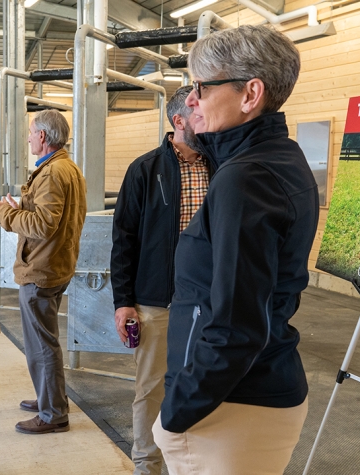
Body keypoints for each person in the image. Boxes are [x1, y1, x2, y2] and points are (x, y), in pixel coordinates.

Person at [151, 25, 320, 474]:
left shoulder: (245, 177)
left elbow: (235, 326)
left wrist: (175, 413)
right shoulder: (276, 157)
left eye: (201, 86)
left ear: (251, 93)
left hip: (229, 411)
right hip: (249, 397)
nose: (190, 99)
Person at [110, 85, 208, 475]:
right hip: (157, 301)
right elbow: (124, 240)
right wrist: (123, 301)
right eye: (196, 112)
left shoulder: (221, 165)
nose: (205, 117)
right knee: (151, 390)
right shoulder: (145, 170)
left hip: (209, 300)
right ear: (178, 120)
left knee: (205, 385)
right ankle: (147, 466)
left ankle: (192, 464)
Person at [0, 109, 86, 435]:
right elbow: (49, 213)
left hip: (41, 270)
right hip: (55, 265)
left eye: (30, 132)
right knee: (45, 341)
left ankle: (53, 414)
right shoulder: (65, 168)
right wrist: (19, 206)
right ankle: (48, 399)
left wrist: (5, 214)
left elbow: (43, 225)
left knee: (41, 344)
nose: (28, 138)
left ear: (42, 136)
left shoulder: (53, 173)